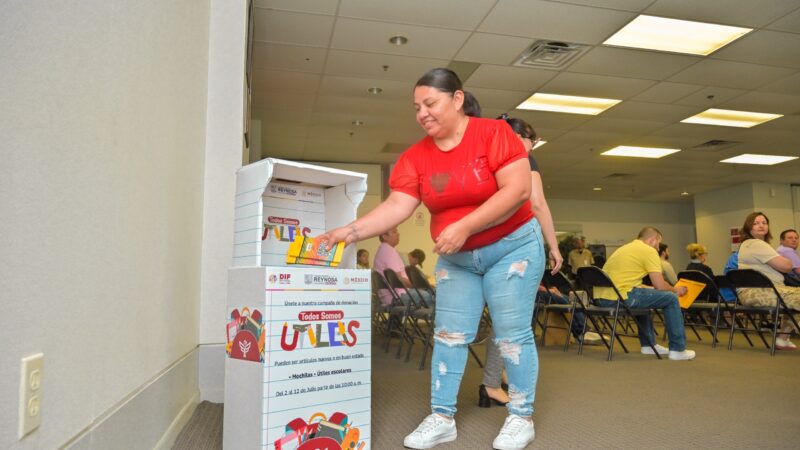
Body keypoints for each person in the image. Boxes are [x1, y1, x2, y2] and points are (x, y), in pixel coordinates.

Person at [319, 68, 542, 450]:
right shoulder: (416, 157)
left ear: (457, 99)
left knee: (511, 334)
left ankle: (521, 417)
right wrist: (347, 232)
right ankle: (442, 417)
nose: (422, 112)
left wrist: (465, 226)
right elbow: (397, 205)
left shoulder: (494, 133)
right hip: (458, 258)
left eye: (430, 103)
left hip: (513, 248)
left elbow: (518, 190)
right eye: (417, 106)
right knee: (449, 336)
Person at [481, 114, 576, 410]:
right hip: (517, 247)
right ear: (518, 137)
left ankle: (497, 376)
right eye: (531, 139)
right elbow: (537, 203)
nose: (532, 147)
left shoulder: (485, 159)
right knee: (512, 321)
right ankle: (492, 384)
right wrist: (554, 246)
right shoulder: (522, 159)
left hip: (487, 245)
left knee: (501, 318)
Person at [595, 227, 696, 360]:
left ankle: (648, 345)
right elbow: (659, 285)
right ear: (653, 240)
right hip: (621, 298)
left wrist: (651, 290)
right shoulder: (648, 250)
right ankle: (678, 350)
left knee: (646, 298)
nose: (658, 246)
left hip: (601, 298)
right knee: (671, 298)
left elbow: (630, 283)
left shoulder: (624, 249)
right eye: (658, 243)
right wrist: (675, 290)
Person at [735, 213, 800, 349]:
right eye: (756, 223)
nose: (761, 225)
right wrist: (786, 262)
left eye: (764, 222)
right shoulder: (757, 244)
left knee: (795, 300)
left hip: (754, 292)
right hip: (760, 292)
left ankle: (782, 339)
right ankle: (783, 338)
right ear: (749, 227)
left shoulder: (747, 244)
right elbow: (786, 267)